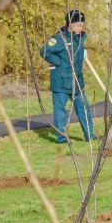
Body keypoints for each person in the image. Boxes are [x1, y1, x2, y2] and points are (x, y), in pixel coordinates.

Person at [39, 10, 94, 143]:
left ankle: (90, 136)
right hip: (61, 81)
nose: (81, 27)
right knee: (60, 111)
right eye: (78, 25)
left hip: (77, 80)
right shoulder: (59, 39)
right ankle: (62, 138)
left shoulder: (79, 38)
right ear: (70, 24)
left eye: (82, 24)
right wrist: (59, 62)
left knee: (84, 109)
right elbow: (44, 51)